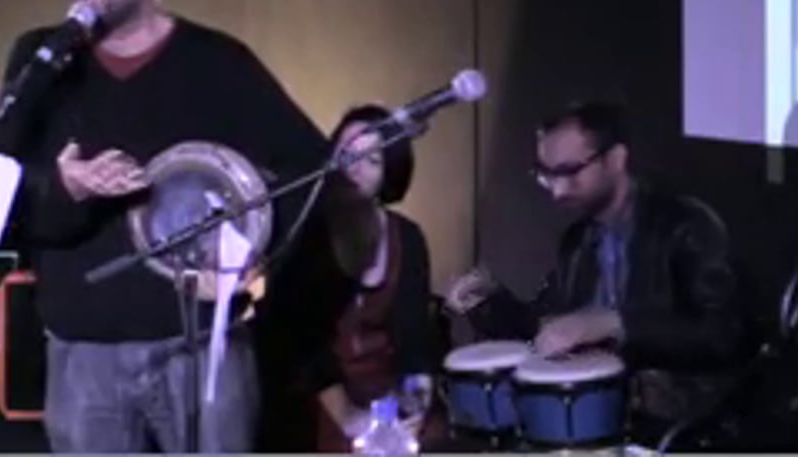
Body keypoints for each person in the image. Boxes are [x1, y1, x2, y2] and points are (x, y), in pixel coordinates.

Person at [0, 0, 327, 454]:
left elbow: (308, 169)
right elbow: (0, 187)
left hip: (197, 349)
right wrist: (66, 186)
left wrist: (249, 259)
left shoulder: (218, 62)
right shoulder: (42, 60)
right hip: (83, 354)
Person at [445, 102, 748, 440]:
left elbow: (721, 334)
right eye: (546, 175)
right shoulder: (578, 242)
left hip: (678, 425)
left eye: (570, 171)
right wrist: (488, 300)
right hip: (601, 420)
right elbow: (545, 331)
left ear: (616, 159)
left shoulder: (684, 225)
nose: (557, 190)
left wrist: (615, 323)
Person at [257, 105, 446, 453]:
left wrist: (416, 403)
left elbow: (415, 338)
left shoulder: (406, 236)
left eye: (372, 160)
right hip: (321, 397)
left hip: (385, 391)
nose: (354, 168)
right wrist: (348, 418)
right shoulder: (306, 232)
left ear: (389, 173)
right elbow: (300, 348)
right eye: (346, 155)